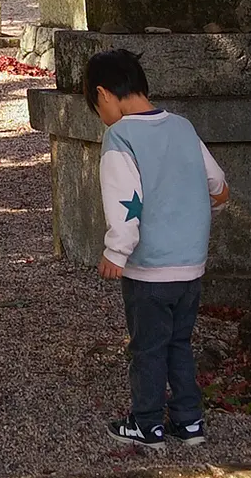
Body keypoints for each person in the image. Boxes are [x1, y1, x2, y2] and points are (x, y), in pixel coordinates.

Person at [85, 47, 231, 449]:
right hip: (191, 267)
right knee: (179, 344)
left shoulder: (120, 137)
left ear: (103, 94)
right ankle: (189, 422)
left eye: (96, 107)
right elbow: (216, 184)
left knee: (147, 347)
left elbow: (124, 200)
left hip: (149, 270)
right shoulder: (183, 127)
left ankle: (147, 422)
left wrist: (116, 251)